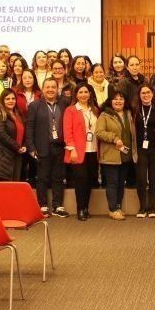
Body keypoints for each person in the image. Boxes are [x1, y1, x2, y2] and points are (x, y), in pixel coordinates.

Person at [27, 77, 69, 218]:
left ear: (57, 89)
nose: (50, 90)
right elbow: (30, 128)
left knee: (58, 177)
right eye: (47, 87)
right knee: (42, 178)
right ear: (43, 89)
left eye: (53, 87)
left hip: (60, 146)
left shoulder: (65, 104)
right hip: (42, 147)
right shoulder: (34, 106)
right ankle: (43, 205)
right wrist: (31, 148)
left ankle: (58, 206)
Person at [96, 91, 136, 220]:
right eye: (115, 99)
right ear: (110, 101)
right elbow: (99, 132)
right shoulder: (105, 115)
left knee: (120, 183)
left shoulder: (129, 114)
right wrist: (114, 138)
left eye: (121, 99)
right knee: (112, 183)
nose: (118, 101)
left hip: (125, 155)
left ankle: (118, 207)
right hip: (110, 155)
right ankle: (112, 209)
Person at [63, 83, 100, 221]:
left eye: (86, 92)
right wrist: (71, 149)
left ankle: (86, 208)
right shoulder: (71, 110)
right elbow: (68, 132)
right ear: (76, 95)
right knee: (80, 181)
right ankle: (80, 209)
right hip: (78, 151)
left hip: (93, 149)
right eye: (80, 92)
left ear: (90, 94)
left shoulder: (95, 110)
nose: (83, 94)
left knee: (90, 180)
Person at [134, 85, 155, 218]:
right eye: (143, 93)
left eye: (148, 92)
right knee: (141, 178)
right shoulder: (135, 110)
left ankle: (152, 207)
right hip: (140, 148)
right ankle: (142, 207)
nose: (146, 95)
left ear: (152, 94)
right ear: (139, 95)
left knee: (153, 178)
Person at [0, 88, 26, 181]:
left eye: (13, 98)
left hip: (17, 154)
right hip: (3, 156)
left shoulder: (18, 114)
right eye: (7, 99)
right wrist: (17, 147)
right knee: (4, 187)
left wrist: (24, 145)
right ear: (2, 100)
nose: (11, 101)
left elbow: (23, 132)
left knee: (15, 186)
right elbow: (1, 134)